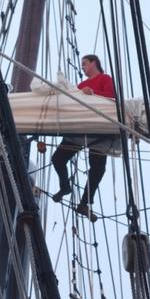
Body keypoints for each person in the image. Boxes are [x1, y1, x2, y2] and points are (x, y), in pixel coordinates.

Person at [50, 54, 116, 223]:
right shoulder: (80, 86)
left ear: (95, 63)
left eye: (85, 63)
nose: (83, 67)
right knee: (57, 159)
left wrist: (93, 93)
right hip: (80, 128)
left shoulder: (105, 78)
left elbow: (112, 97)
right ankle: (65, 186)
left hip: (99, 129)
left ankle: (84, 203)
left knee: (98, 169)